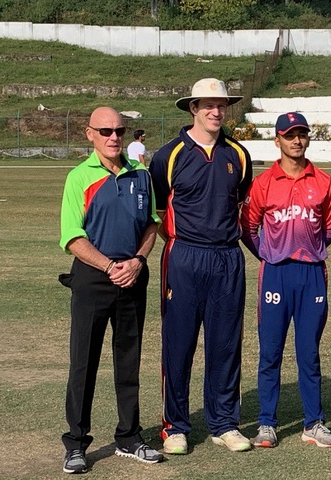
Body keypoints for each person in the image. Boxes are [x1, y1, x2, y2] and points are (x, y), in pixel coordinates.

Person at [148, 78, 253, 454]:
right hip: (184, 256)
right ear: (193, 108)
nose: (215, 111)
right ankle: (174, 426)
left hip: (227, 258)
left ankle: (224, 422)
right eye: (207, 105)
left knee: (225, 344)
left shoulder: (238, 155)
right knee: (179, 343)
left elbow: (240, 203)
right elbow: (159, 211)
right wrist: (183, 243)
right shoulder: (168, 155)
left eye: (221, 105)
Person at [58, 107, 163, 474]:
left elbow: (152, 224)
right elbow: (72, 237)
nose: (114, 136)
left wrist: (136, 261)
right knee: (83, 362)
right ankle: (75, 443)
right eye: (105, 130)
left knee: (128, 360)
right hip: (93, 277)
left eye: (120, 130)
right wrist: (108, 266)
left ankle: (130, 437)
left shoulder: (141, 175)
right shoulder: (78, 178)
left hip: (132, 276)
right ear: (90, 134)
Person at [240, 112, 331, 449]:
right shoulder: (264, 183)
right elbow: (248, 227)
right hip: (276, 273)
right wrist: (269, 252)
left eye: (302, 134)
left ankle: (314, 422)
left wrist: (307, 250)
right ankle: (267, 423)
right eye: (290, 135)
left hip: (311, 273)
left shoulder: (324, 181)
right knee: (270, 352)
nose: (297, 141)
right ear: (277, 140)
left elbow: (330, 229)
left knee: (308, 352)